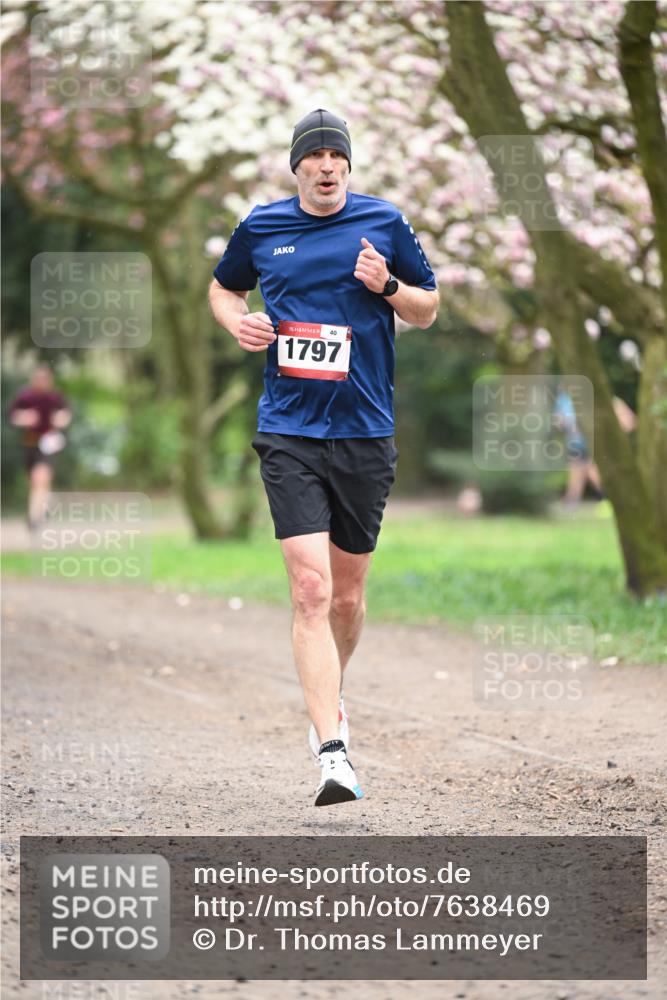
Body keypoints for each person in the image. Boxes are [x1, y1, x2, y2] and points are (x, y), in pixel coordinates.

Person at [208, 109, 439, 807]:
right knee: (308, 591)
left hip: (365, 432)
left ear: (348, 164)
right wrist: (238, 322)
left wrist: (388, 288)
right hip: (289, 430)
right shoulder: (262, 227)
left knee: (345, 596)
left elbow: (427, 308)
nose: (328, 165)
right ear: (297, 167)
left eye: (338, 154)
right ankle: (331, 748)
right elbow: (223, 287)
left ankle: (330, 693)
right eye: (316, 156)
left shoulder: (384, 223)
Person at [8, 364, 71, 530]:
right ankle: (46, 502)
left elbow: (65, 413)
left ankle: (34, 518)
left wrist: (61, 418)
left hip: (47, 443)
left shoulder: (54, 397)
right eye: (38, 378)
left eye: (44, 379)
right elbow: (12, 415)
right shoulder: (25, 397)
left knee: (40, 478)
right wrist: (23, 417)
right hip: (29, 443)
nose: (41, 382)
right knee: (35, 482)